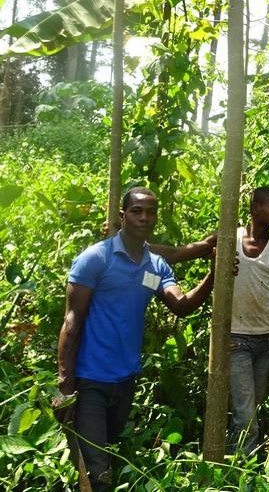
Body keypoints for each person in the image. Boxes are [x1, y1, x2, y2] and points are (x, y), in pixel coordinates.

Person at [54, 187, 217, 491]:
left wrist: (213, 274)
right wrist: (64, 385)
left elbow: (180, 306)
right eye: (137, 211)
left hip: (125, 380)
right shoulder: (96, 259)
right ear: (122, 216)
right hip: (89, 381)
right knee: (99, 472)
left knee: (104, 460)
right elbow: (71, 322)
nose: (144, 217)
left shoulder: (153, 266)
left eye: (151, 211)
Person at [225, 186, 269, 454]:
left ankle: (234, 463)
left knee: (250, 410)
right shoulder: (231, 238)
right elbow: (189, 250)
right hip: (237, 339)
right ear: (255, 209)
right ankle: (241, 477)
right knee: (246, 416)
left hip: (266, 341)